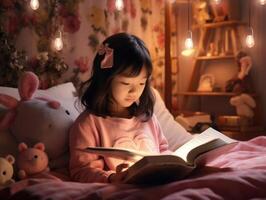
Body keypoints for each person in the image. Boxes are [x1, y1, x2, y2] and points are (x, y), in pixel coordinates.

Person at [69, 33, 169, 183]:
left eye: (141, 83)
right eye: (126, 84)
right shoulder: (88, 124)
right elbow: (80, 170)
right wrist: (111, 177)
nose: (134, 92)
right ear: (106, 80)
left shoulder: (147, 117)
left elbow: (163, 150)